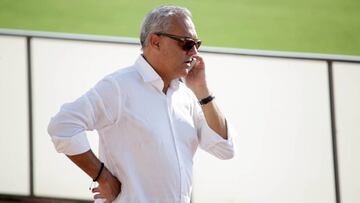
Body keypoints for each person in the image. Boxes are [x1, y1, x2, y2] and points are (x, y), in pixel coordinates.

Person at [48, 5, 236, 203]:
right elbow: (62, 125)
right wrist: (102, 177)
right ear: (155, 41)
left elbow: (225, 149)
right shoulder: (118, 87)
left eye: (197, 44)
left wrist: (202, 91)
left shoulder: (186, 96)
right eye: (187, 43)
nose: (194, 52)